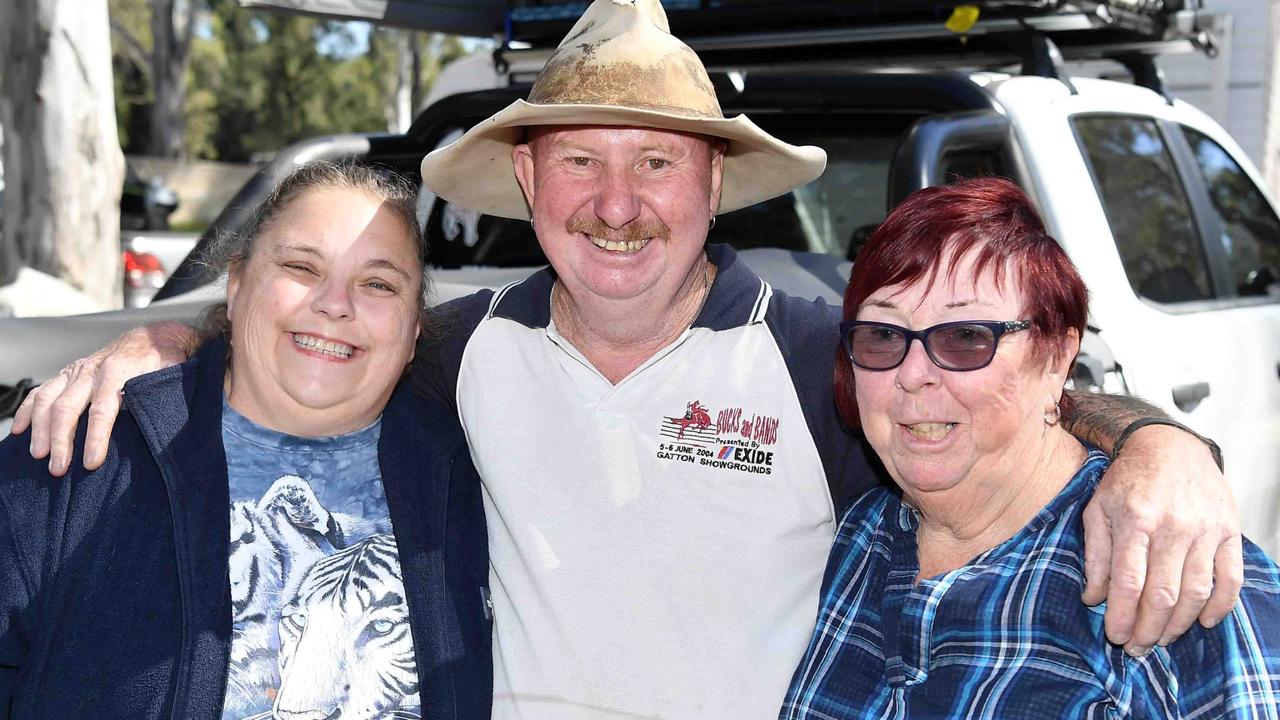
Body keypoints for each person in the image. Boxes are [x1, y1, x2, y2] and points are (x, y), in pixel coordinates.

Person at [10, 1, 1240, 717]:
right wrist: (163, 343)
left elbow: (986, 412)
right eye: (580, 162)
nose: (616, 203)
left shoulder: (823, 354)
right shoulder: (459, 347)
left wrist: (1158, 444)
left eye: (655, 161)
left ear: (713, 181)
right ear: (528, 181)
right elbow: (315, 345)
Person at [0, 162, 491, 720]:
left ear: (415, 332)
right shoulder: (76, 454)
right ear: (236, 285)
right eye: (301, 266)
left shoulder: (481, 483)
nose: (335, 303)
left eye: (378, 283)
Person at [781, 178, 1280, 719]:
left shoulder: (1167, 567)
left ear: (1057, 356)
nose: (912, 374)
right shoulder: (862, 535)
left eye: (966, 336)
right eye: (882, 334)